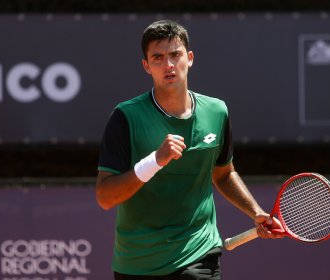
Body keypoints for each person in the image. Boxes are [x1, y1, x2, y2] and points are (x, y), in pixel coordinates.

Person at [96, 19, 284, 280]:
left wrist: (256, 212)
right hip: (137, 262)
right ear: (146, 66)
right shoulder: (125, 117)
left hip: (199, 252)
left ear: (190, 58)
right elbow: (105, 196)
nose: (169, 65)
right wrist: (155, 161)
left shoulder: (217, 112)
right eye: (158, 58)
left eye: (175, 54)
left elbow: (224, 173)